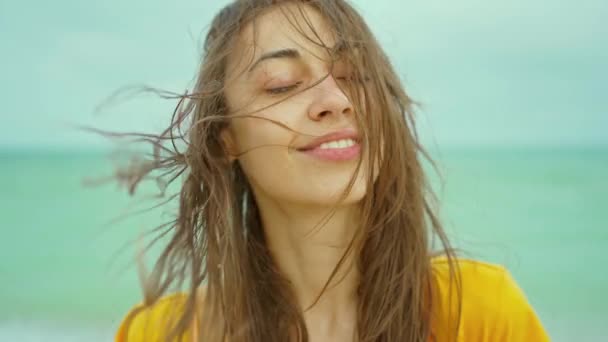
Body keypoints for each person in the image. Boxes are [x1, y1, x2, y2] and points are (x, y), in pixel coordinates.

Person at [113, 1, 550, 341]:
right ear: (226, 138)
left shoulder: (480, 315)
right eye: (282, 83)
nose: (336, 99)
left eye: (355, 75)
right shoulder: (161, 334)